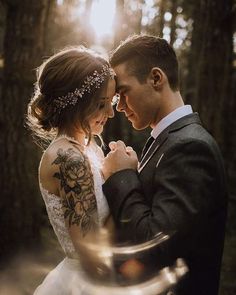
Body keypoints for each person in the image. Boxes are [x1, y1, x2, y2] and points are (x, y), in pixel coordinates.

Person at [102, 34, 228, 295]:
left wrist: (122, 176)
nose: (121, 107)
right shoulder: (166, 139)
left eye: (123, 93)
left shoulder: (191, 147)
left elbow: (155, 247)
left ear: (156, 78)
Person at [26, 46, 117, 294]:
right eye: (101, 104)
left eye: (112, 102)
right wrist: (128, 187)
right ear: (75, 103)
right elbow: (92, 255)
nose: (110, 113)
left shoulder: (90, 149)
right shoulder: (68, 159)